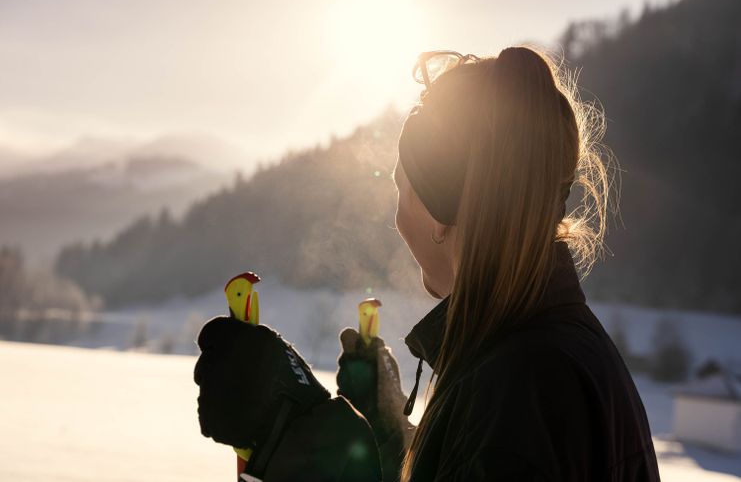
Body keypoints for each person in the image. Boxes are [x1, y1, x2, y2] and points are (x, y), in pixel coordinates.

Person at [194, 46, 660, 482]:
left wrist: (304, 448)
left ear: (439, 212)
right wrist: (390, 439)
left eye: (401, 188)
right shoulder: (546, 353)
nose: (396, 223)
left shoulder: (519, 389)